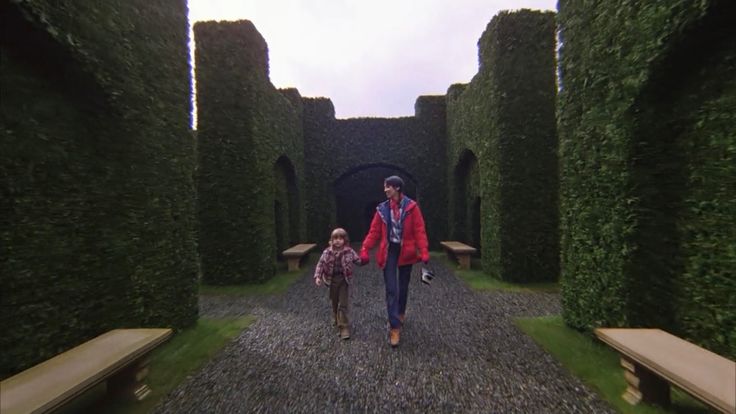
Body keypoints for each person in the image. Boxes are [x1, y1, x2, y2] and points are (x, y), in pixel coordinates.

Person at [360, 175, 429, 347]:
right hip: (389, 251)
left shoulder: (412, 207)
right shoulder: (382, 210)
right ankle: (394, 326)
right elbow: (374, 231)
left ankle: (401, 312)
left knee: (403, 287)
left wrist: (424, 250)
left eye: (388, 187)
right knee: (392, 289)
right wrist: (365, 249)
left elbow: (419, 230)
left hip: (406, 251)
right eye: (385, 187)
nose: (385, 190)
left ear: (397, 188)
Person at [314, 227, 363, 340]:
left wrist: (364, 259)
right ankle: (336, 317)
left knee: (343, 304)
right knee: (335, 302)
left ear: (345, 240)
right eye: (335, 238)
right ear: (331, 240)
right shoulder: (327, 252)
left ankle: (344, 327)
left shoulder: (349, 251)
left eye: (341, 238)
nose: (338, 240)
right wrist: (318, 276)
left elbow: (357, 260)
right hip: (331, 280)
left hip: (344, 280)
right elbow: (320, 264)